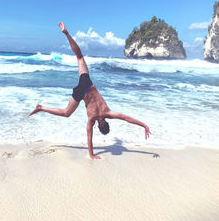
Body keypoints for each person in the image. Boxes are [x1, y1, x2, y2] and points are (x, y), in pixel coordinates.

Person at [29, 22, 151, 159]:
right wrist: (92, 155)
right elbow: (89, 138)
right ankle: (41, 108)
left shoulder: (107, 113)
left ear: (107, 122)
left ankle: (66, 33)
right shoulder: (92, 120)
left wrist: (144, 125)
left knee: (79, 57)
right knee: (66, 113)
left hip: (87, 84)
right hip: (81, 92)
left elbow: (127, 118)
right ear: (99, 126)